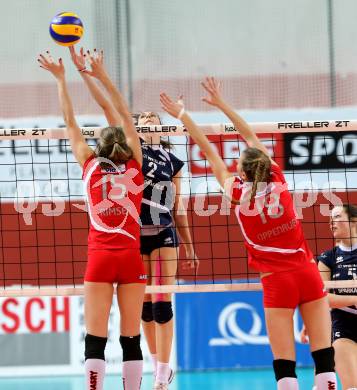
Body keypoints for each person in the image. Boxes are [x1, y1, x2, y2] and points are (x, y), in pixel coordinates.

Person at [159, 77, 337, 390]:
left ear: (242, 172)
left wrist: (183, 115)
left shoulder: (237, 194)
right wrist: (222, 104)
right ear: (265, 165)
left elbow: (207, 151)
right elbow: (249, 134)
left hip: (277, 282)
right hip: (308, 273)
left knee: (285, 366)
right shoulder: (278, 178)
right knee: (324, 358)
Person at [68, 47, 198, 390]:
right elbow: (114, 109)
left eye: (153, 120)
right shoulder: (132, 157)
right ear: (134, 131)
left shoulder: (171, 160)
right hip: (134, 235)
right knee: (140, 313)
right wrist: (88, 74)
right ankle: (152, 368)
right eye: (141, 122)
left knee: (161, 302)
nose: (146, 123)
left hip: (161, 233)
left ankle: (162, 369)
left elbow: (179, 205)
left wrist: (190, 243)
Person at [38, 50, 146, 390]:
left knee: (95, 339)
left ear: (97, 148)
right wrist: (101, 75)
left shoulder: (88, 165)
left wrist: (60, 79)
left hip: (100, 260)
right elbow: (127, 117)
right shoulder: (135, 167)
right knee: (131, 337)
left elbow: (70, 123)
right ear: (126, 148)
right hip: (130, 259)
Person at [301, 204, 357, 389]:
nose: (332, 222)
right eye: (330, 218)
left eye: (338, 217)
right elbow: (322, 298)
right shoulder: (327, 258)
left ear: (354, 222)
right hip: (344, 325)